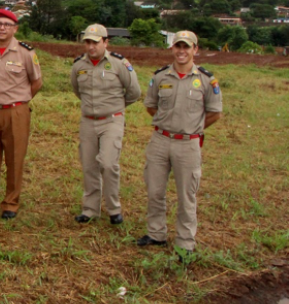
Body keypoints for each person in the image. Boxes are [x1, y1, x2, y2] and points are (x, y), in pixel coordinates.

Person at [139, 30, 222, 261]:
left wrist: (193, 127)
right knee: (155, 190)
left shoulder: (206, 80)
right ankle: (156, 233)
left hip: (188, 144)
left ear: (195, 50)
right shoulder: (160, 77)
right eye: (178, 46)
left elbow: (215, 113)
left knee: (187, 196)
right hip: (160, 140)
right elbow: (150, 106)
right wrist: (168, 124)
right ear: (172, 49)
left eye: (187, 47)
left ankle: (185, 243)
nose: (182, 51)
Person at [0, 8, 42, 219]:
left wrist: (21, 102)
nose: (2, 28)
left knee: (14, 159)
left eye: (7, 25)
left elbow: (36, 82)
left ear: (15, 29)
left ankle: (11, 203)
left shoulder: (26, 52)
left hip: (16, 112)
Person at [70, 24, 141, 225]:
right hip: (88, 121)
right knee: (89, 166)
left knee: (108, 164)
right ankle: (90, 209)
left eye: (95, 42)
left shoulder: (119, 64)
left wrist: (116, 106)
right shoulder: (78, 66)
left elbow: (134, 92)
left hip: (112, 120)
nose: (91, 47)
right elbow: (77, 90)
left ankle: (114, 208)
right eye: (88, 42)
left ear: (105, 42)